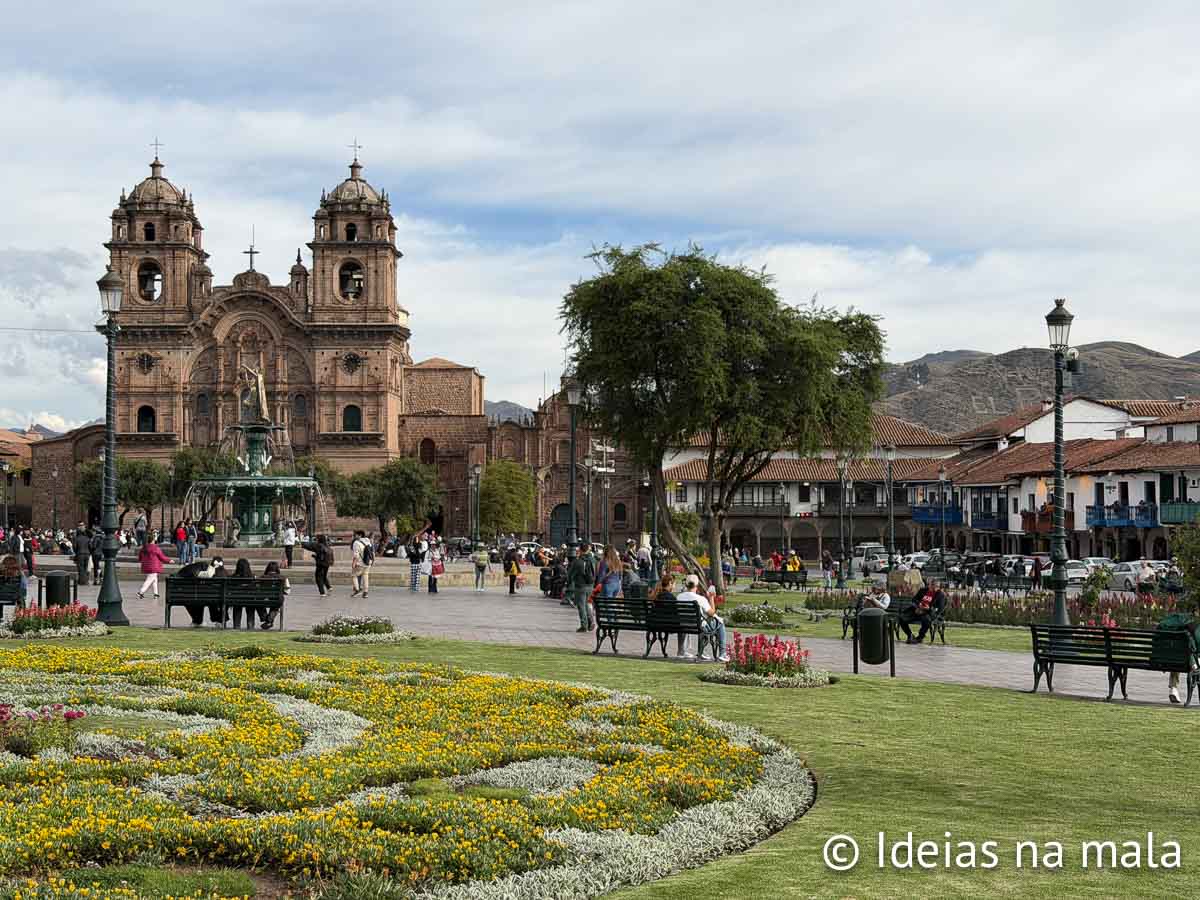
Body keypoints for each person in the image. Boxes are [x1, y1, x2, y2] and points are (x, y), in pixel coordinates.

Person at [678, 574, 729, 661]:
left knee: (702, 622)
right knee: (720, 623)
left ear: (686, 585)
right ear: (697, 585)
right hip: (698, 626)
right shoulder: (700, 599)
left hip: (683, 624)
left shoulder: (679, 597)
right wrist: (711, 598)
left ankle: (683, 651)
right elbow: (712, 613)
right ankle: (722, 653)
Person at [1155, 610, 1198, 703]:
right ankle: (1173, 689)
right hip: (1184, 661)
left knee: (1177, 658)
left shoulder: (1165, 627)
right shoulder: (1191, 628)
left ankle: (1173, 689)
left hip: (1159, 659)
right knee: (1188, 659)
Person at [259, 560, 291, 630]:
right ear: (277, 569)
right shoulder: (283, 577)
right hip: (277, 600)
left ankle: (265, 618)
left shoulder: (262, 577)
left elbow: (258, 589)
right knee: (276, 604)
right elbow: (287, 591)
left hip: (263, 599)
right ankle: (269, 620)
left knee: (259, 604)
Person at [228, 557, 255, 628]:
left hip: (237, 599)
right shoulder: (252, 577)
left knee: (237, 605)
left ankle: (236, 625)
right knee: (250, 606)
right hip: (249, 600)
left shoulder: (233, 577)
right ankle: (250, 625)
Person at [350, 530, 373, 598]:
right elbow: (371, 550)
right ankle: (365, 592)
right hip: (368, 562)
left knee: (353, 575)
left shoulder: (356, 543)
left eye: (355, 535)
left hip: (360, 562)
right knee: (365, 576)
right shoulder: (367, 540)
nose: (354, 536)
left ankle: (357, 590)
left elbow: (356, 555)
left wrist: (353, 563)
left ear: (360, 535)